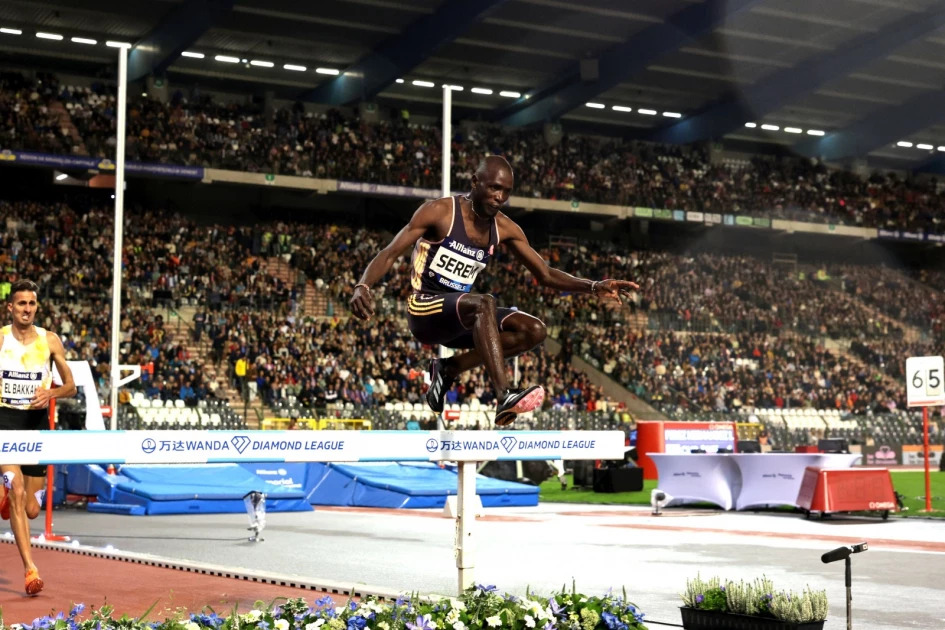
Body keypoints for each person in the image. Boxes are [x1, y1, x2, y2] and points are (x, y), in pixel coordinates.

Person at [350, 155, 638, 426]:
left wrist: (594, 286)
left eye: (506, 192)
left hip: (461, 318)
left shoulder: (504, 228)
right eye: (494, 188)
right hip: (424, 311)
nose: (500, 197)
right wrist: (363, 285)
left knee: (534, 331)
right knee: (483, 302)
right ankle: (504, 395)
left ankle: (449, 369)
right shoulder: (439, 212)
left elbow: (546, 274)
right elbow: (389, 252)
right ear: (475, 182)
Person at [0, 280, 76, 595]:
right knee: (17, 490)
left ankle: (6, 494)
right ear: (10, 307)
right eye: (21, 304)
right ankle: (30, 569)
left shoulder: (50, 341)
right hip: (4, 421)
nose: (27, 309)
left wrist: (51, 393)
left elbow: (70, 387)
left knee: (32, 508)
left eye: (31, 304)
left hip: (35, 426)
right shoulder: (1, 339)